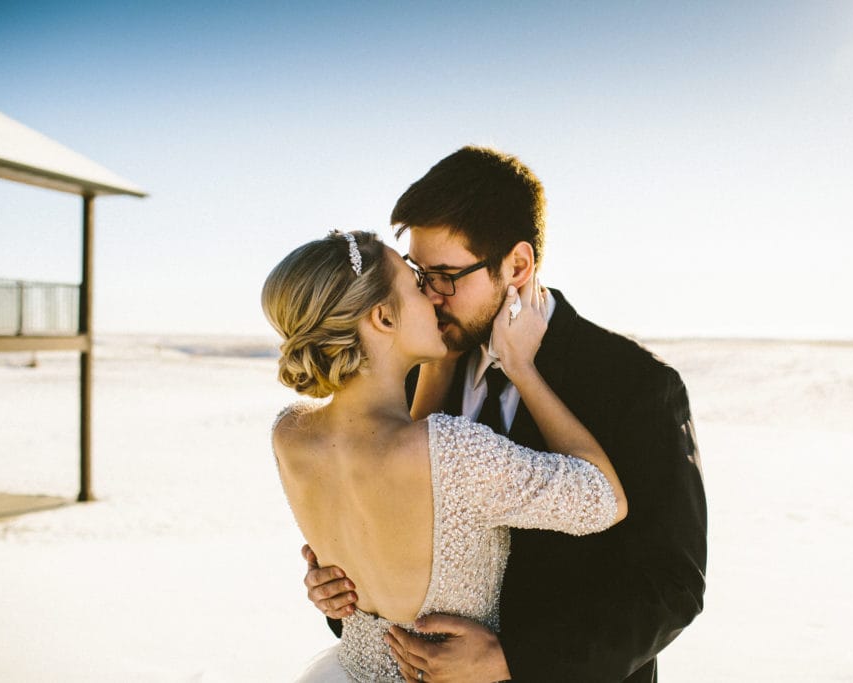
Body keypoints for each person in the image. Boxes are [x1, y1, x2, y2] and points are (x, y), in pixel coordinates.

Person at [304, 147, 707, 682]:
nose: (429, 296)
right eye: (420, 274)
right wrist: (342, 592)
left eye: (447, 275)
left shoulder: (637, 385)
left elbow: (671, 586)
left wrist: (513, 658)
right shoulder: (408, 375)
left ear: (517, 266)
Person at [263, 230, 628, 682]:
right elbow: (603, 500)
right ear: (382, 317)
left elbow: (399, 463)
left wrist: (438, 364)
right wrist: (521, 366)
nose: (435, 296)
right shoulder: (454, 452)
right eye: (417, 285)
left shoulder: (290, 434)